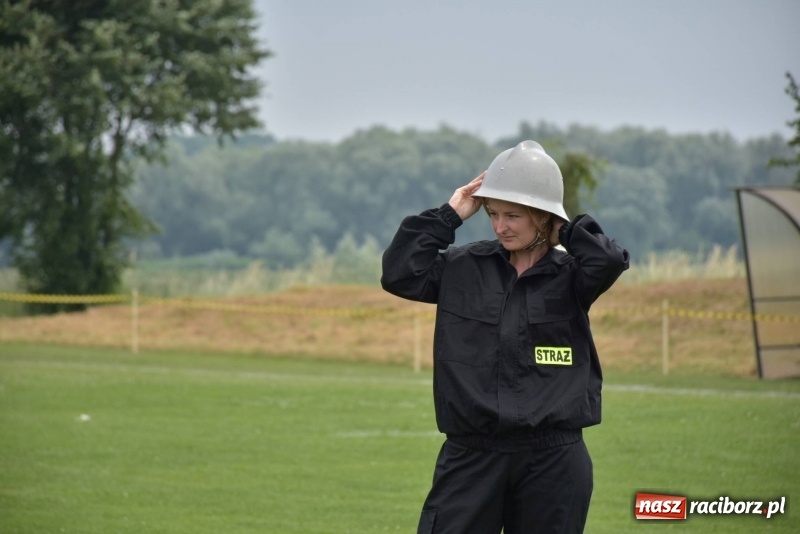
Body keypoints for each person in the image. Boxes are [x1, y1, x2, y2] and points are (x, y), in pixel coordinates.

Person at [380, 140, 630, 534]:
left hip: (553, 461)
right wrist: (450, 214)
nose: (500, 226)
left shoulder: (573, 277)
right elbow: (399, 273)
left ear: (542, 217)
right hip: (471, 457)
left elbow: (609, 259)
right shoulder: (462, 268)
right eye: (493, 213)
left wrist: (559, 223)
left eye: (513, 215)